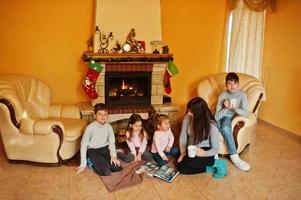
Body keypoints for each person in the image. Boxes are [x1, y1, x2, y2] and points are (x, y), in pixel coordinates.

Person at [215, 72, 250, 171]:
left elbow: (246, 113)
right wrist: (226, 108)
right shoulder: (222, 95)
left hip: (228, 117)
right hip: (220, 115)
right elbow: (217, 116)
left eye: (235, 83)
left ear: (238, 84)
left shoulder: (242, 95)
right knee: (213, 129)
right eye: (230, 83)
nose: (232, 86)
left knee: (225, 128)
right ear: (226, 84)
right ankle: (214, 155)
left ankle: (234, 156)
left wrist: (235, 109)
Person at [177, 97, 221, 175]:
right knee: (181, 167)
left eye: (191, 111)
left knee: (187, 162)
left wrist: (204, 153)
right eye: (188, 110)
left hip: (205, 150)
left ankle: (218, 163)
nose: (188, 113)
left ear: (199, 113)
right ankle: (208, 168)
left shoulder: (212, 126)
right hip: (191, 149)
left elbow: (215, 149)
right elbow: (183, 137)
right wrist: (183, 153)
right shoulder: (187, 118)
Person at [76, 103, 122, 176]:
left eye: (105, 114)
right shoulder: (90, 128)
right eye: (100, 114)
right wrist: (82, 164)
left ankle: (105, 160)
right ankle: (90, 161)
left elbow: (111, 143)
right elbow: (83, 146)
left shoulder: (108, 127)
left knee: (117, 168)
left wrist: (113, 156)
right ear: (95, 115)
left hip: (105, 149)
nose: (103, 116)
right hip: (93, 151)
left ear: (107, 116)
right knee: (106, 172)